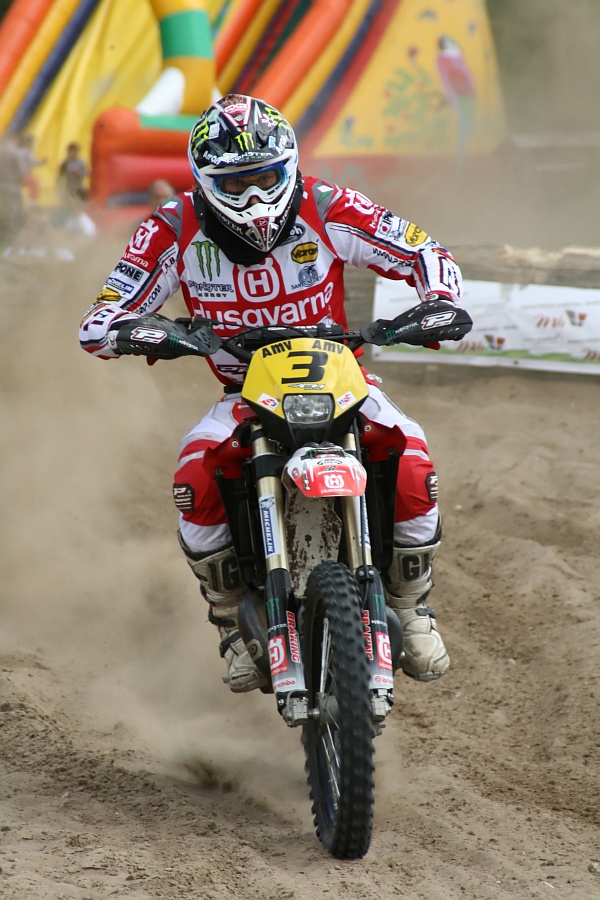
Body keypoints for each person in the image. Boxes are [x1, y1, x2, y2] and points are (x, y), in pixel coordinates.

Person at [79, 93, 465, 693]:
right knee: (194, 473)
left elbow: (423, 249)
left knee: (411, 451)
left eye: (265, 177)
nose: (255, 196)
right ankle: (232, 622)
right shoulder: (171, 228)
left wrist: (440, 301)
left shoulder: (328, 204)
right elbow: (100, 318)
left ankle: (410, 608)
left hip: (341, 380)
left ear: (288, 165)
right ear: (206, 180)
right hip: (245, 392)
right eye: (237, 183)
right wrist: (146, 331)